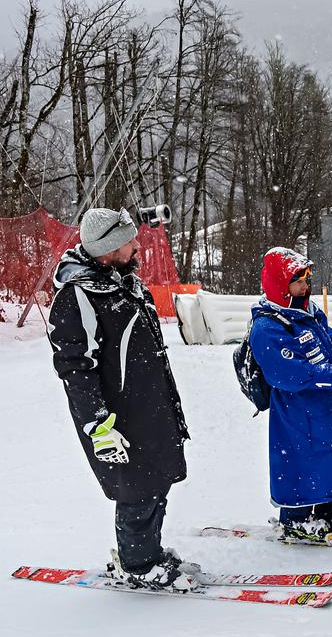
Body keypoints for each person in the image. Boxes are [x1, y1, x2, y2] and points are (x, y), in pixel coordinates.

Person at [48, 207, 195, 590]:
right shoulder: (76, 295)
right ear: (109, 247)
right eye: (129, 241)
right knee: (137, 491)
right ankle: (138, 565)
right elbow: (75, 368)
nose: (136, 245)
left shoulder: (124, 283)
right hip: (117, 417)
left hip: (150, 408)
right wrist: (97, 425)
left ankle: (150, 552)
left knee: (157, 482)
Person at [249, 247, 332, 541]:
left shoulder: (310, 313)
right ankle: (295, 517)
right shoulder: (268, 326)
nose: (305, 287)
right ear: (281, 286)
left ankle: (330, 509)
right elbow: (291, 374)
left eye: (307, 279)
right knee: (301, 462)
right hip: (298, 414)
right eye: (298, 281)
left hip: (328, 406)